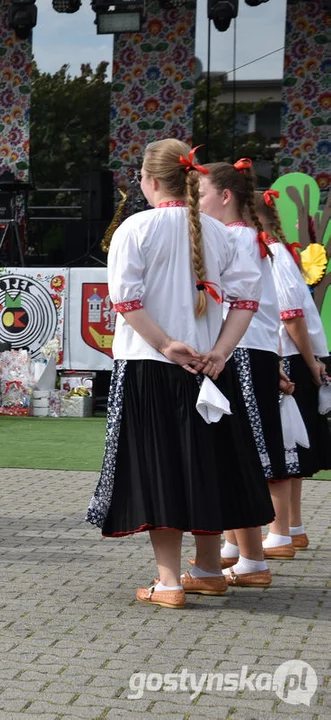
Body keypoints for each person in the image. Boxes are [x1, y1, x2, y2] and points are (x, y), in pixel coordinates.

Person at [85, 139, 265, 610]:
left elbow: (125, 302)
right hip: (209, 367)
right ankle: (207, 568)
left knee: (157, 468)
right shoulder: (223, 232)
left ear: (148, 181)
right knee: (207, 462)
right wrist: (221, 352)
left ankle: (168, 581)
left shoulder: (135, 228)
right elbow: (247, 300)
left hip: (150, 366)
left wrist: (166, 344)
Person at [196, 160, 295, 589]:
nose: (194, 203)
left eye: (199, 195)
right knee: (235, 448)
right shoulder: (242, 236)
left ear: (225, 196)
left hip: (238, 351)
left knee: (244, 451)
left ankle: (253, 557)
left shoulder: (234, 237)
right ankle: (239, 548)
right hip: (245, 351)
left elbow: (244, 305)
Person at [257, 200, 330, 557]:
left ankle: (280, 532)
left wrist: (308, 360)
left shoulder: (270, 254)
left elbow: (291, 317)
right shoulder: (279, 252)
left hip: (288, 356)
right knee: (294, 447)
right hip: (297, 355)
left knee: (283, 446)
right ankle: (293, 529)